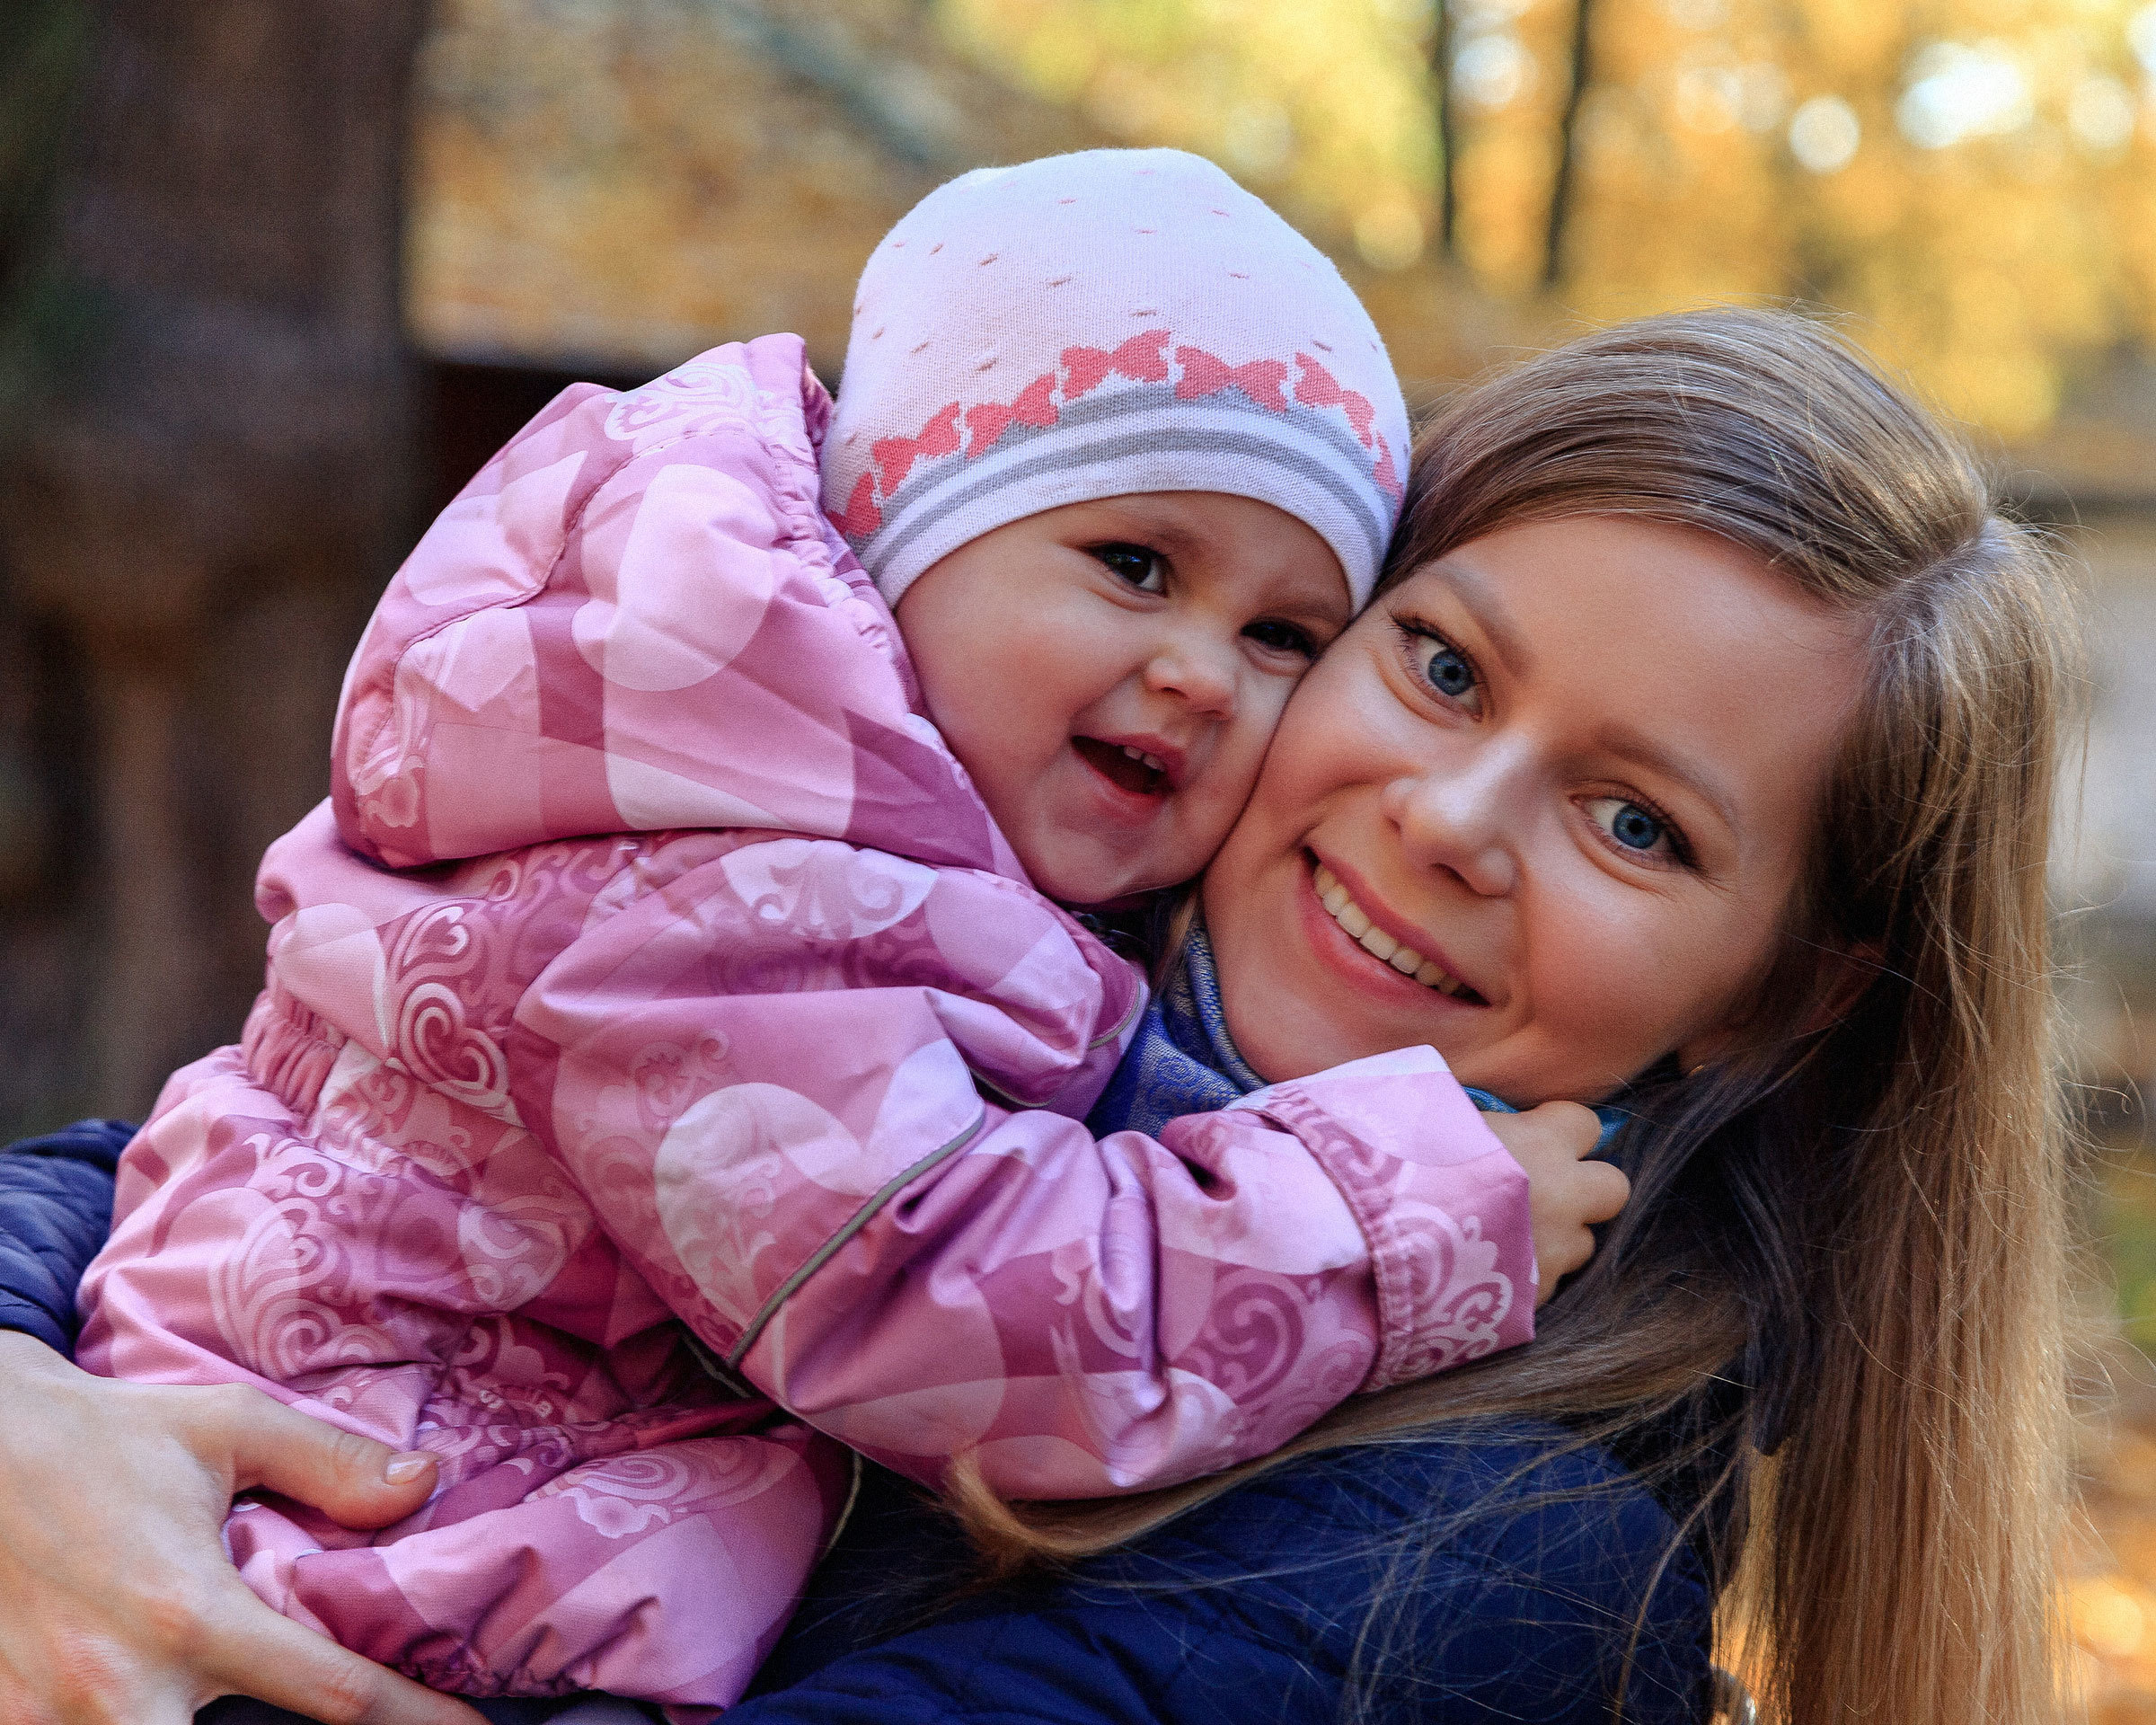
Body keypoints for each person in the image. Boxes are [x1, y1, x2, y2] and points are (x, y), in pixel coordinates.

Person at [0, 308, 2075, 1725]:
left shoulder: (1492, 1565)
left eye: (1635, 821)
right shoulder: (970, 995)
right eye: (1440, 665)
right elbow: (233, 1167)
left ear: (1783, 997)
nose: (1448, 819)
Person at [59, 148, 1620, 1722]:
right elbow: (931, 1299)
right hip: (344, 1547)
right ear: (890, 544)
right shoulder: (737, 886)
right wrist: (1387, 1214)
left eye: (1283, 633)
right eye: (1135, 566)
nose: (1204, 672)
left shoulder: (816, 818)